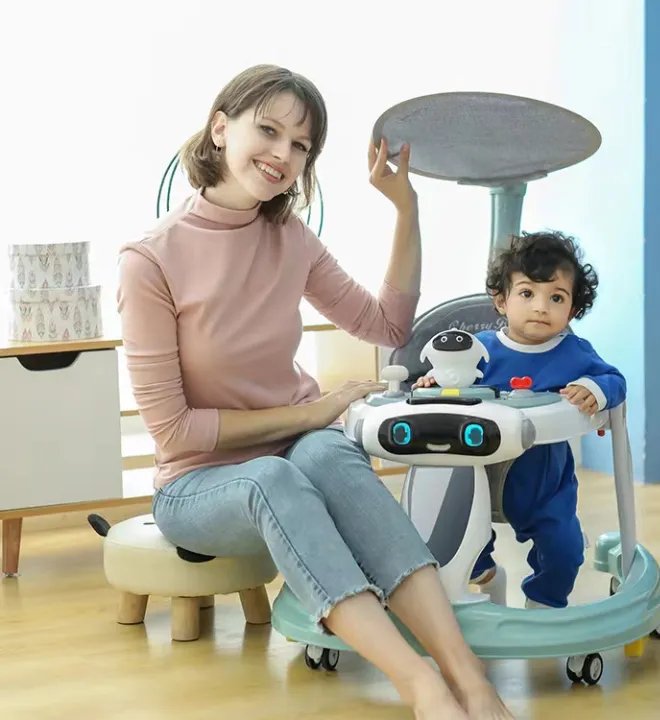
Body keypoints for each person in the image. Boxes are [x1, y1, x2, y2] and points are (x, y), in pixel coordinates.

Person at [116, 64, 514, 720]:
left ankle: (468, 678)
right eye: (268, 131)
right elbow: (176, 432)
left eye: (300, 145)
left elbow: (387, 325)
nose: (283, 154)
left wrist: (406, 208)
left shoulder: (290, 238)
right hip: (197, 484)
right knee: (276, 473)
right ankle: (421, 687)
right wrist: (310, 411)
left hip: (297, 453)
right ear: (220, 128)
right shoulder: (150, 260)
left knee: (327, 452)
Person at [415, 230, 627, 610]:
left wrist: (593, 388)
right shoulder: (479, 351)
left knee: (564, 550)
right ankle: (487, 578)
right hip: (477, 477)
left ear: (572, 310)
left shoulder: (575, 353)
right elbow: (452, 379)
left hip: (544, 485)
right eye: (527, 293)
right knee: (455, 539)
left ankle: (543, 604)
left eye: (556, 298)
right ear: (501, 301)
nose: (541, 307)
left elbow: (614, 380)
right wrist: (435, 382)